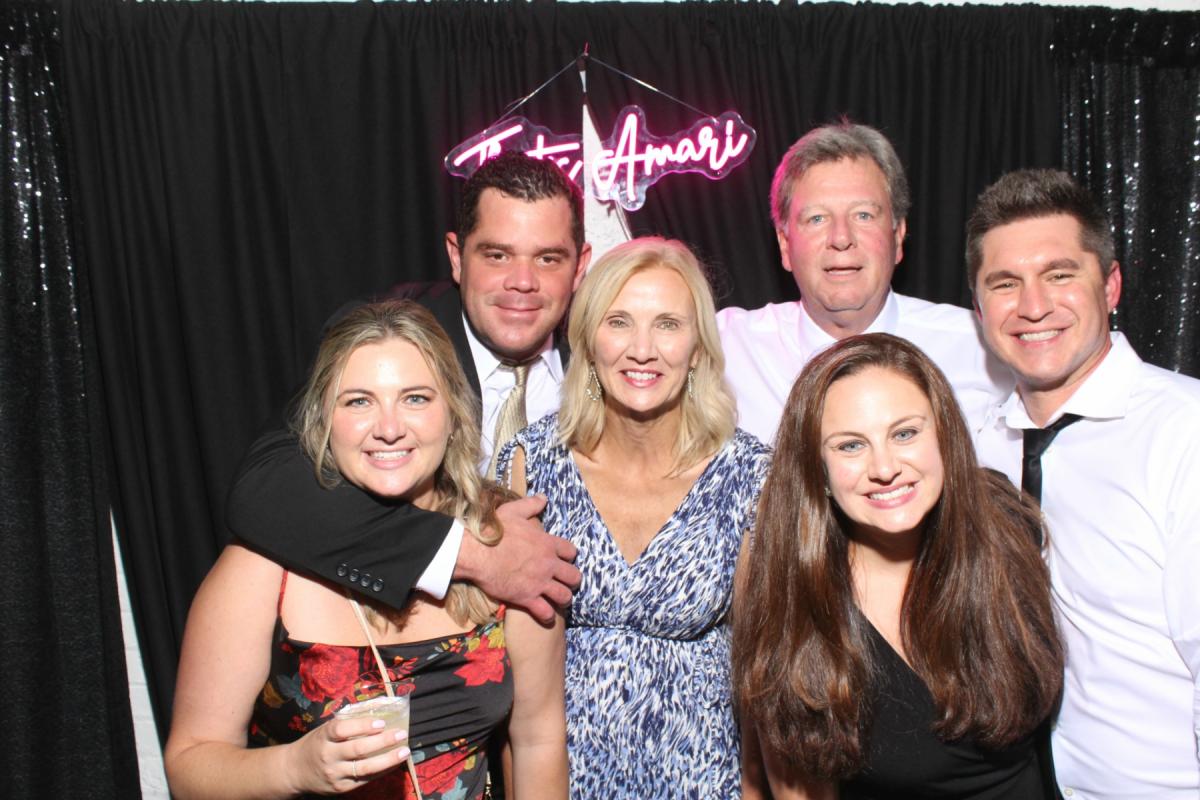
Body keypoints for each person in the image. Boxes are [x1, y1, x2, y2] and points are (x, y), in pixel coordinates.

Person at [165, 301, 566, 800]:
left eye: (416, 398)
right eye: (358, 402)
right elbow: (189, 765)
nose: (389, 428)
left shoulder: (506, 547)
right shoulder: (265, 565)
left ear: (454, 415)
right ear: (322, 421)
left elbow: (537, 740)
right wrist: (294, 768)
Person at [226, 152, 592, 624]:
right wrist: (473, 555)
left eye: (547, 258)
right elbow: (265, 488)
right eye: (497, 255)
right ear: (457, 257)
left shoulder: (610, 360)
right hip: (416, 637)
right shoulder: (390, 341)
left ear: (579, 267)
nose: (522, 282)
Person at [496, 238, 771, 798]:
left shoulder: (750, 475)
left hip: (705, 779)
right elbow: (512, 686)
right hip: (561, 780)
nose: (642, 350)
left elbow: (762, 680)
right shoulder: (533, 464)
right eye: (619, 322)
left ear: (698, 348)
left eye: (668, 324)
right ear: (588, 340)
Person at [734, 333, 1063, 799]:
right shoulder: (799, 594)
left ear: (944, 433)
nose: (885, 467)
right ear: (816, 470)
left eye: (905, 433)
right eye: (850, 446)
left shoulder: (1005, 523)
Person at [968, 169, 1200, 799]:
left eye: (1059, 275)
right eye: (1005, 284)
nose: (1033, 306)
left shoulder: (1184, 434)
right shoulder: (979, 447)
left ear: (1111, 285)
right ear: (980, 309)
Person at [718, 121, 1010, 443]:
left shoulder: (981, 348)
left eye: (863, 215)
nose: (841, 238)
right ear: (785, 245)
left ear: (898, 236)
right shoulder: (727, 347)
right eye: (817, 218)